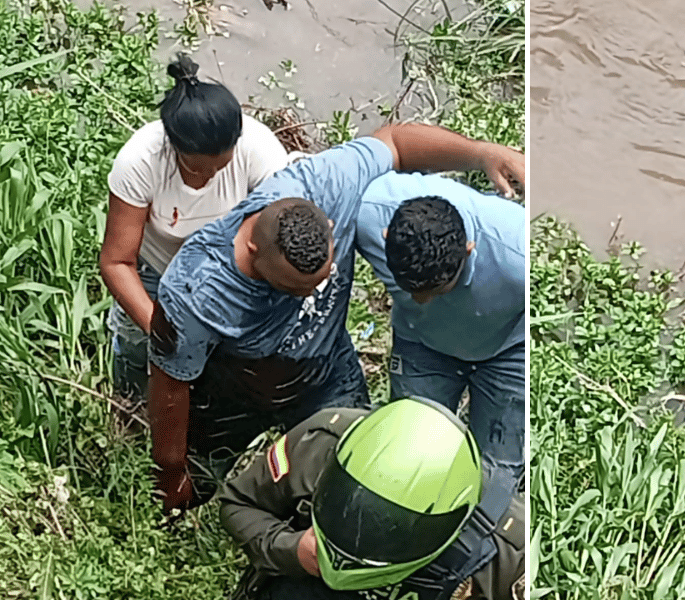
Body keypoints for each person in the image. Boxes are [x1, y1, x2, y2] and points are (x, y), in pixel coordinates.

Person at [147, 122, 524, 511]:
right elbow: (170, 387)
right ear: (253, 249)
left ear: (329, 225)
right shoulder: (195, 291)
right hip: (235, 390)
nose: (310, 295)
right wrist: (171, 468)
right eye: (294, 290)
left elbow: (395, 142)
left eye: (321, 281)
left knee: (353, 479)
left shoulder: (330, 184)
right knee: (189, 488)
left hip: (326, 376)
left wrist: (481, 153)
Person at [99, 54, 290, 409]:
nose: (212, 176)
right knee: (137, 346)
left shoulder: (260, 150)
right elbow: (116, 261)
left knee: (224, 358)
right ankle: (127, 408)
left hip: (229, 271)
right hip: (156, 270)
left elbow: (281, 233)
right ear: (174, 147)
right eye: (198, 169)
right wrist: (152, 321)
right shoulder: (140, 161)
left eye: (223, 164)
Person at [219, 396, 526, 600]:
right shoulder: (319, 443)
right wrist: (291, 549)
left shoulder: (509, 549)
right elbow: (239, 502)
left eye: (392, 528)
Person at [355, 172, 525, 477]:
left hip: (507, 350)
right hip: (420, 343)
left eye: (435, 291)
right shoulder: (367, 210)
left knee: (497, 472)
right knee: (406, 453)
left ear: (469, 249)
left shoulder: (517, 255)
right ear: (384, 236)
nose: (419, 301)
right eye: (409, 289)